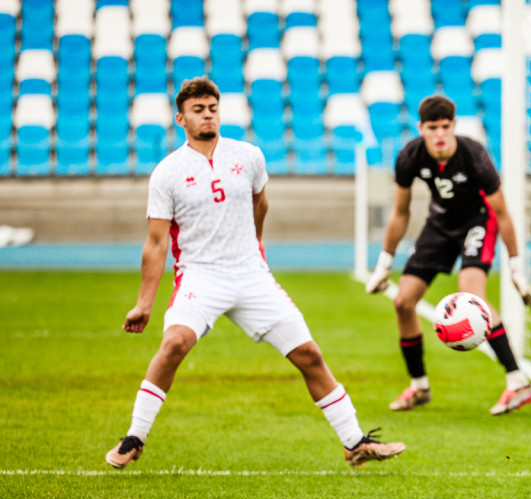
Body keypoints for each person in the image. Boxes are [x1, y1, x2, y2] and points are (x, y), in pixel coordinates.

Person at [106, 77, 404, 469]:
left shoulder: (248, 156)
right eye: (198, 109)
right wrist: (144, 303)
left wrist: (257, 248)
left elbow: (260, 204)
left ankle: (354, 442)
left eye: (212, 107)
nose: (207, 114)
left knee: (308, 354)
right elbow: (157, 242)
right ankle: (134, 437)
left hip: (250, 274)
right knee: (174, 343)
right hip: (200, 276)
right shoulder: (168, 172)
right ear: (181, 118)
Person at [365, 95, 531, 415]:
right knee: (403, 301)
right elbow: (400, 212)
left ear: (454, 126)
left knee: (474, 298)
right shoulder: (410, 156)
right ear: (421, 128)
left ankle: (518, 383)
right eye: (433, 127)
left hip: (478, 221)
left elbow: (501, 213)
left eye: (446, 126)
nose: (440, 134)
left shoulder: (474, 155)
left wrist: (516, 269)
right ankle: (418, 386)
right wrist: (384, 263)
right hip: (439, 224)